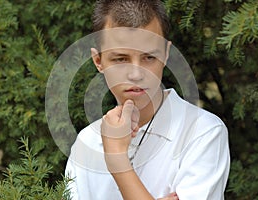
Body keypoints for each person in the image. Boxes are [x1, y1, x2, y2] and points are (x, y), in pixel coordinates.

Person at [65, 0, 230, 199]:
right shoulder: (86, 142)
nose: (136, 74)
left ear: (166, 54)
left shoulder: (203, 133)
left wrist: (117, 160)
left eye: (149, 58)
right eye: (121, 59)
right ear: (98, 61)